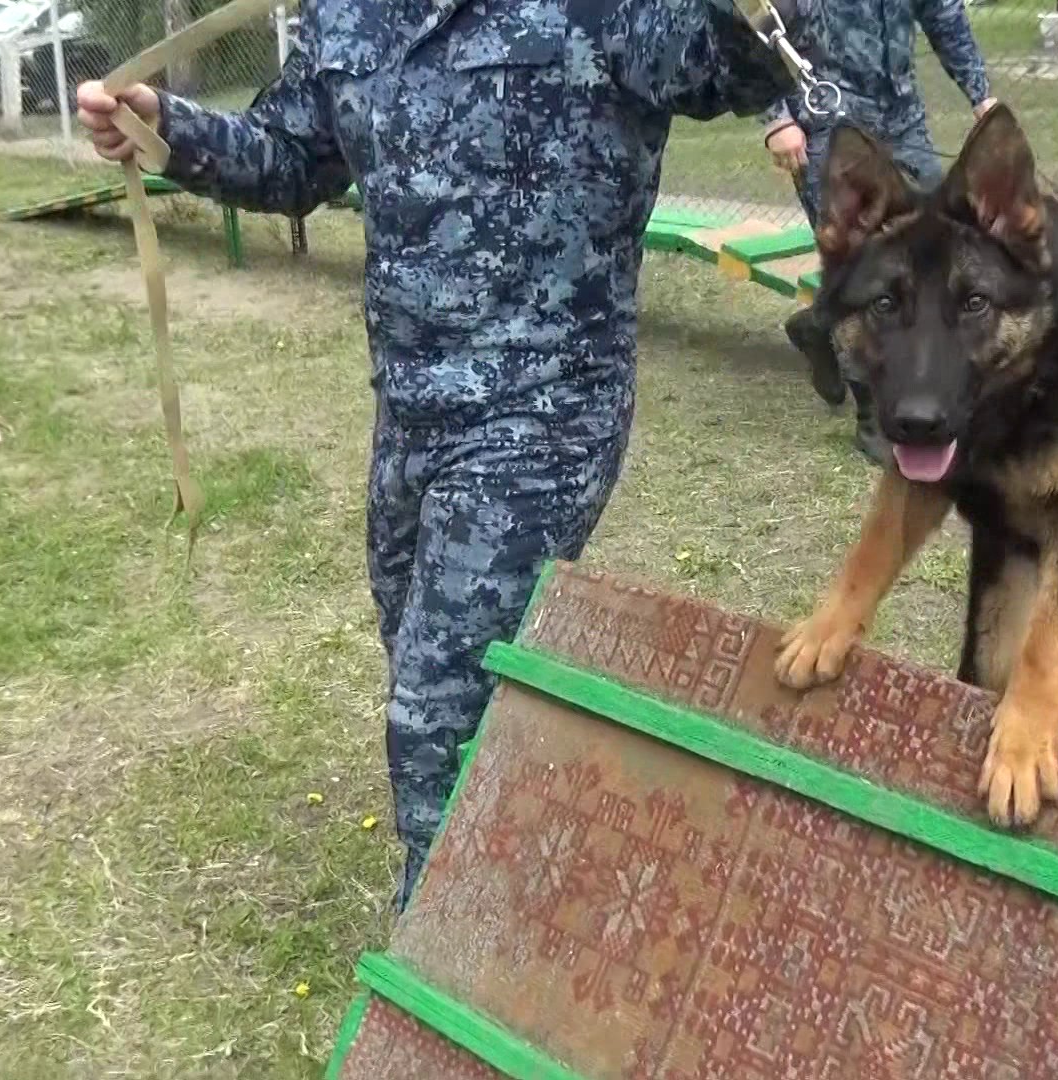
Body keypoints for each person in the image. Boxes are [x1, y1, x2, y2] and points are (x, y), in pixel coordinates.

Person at [78, 0, 800, 915]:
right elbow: (293, 156)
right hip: (413, 412)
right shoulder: (350, 12)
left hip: (547, 409)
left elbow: (728, 60)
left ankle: (443, 976)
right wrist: (164, 128)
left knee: (436, 709)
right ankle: (522, 857)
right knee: (430, 660)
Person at [760, 0, 997, 464]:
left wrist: (980, 93)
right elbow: (762, 26)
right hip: (825, 118)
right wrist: (776, 118)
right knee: (857, 263)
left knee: (936, 249)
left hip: (902, 116)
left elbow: (944, 17)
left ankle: (817, 327)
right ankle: (872, 413)